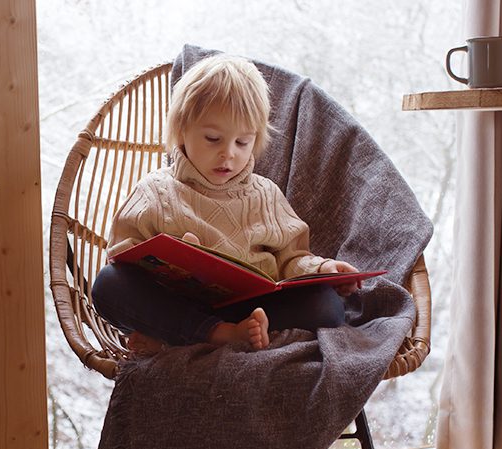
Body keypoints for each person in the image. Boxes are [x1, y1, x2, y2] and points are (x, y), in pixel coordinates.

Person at [91, 54, 361, 355]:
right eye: (213, 139)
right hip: (179, 307)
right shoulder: (155, 191)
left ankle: (174, 341)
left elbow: (291, 259)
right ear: (182, 131)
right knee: (108, 286)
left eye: (242, 143)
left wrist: (324, 270)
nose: (228, 154)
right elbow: (122, 256)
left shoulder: (266, 195)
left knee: (328, 307)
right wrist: (169, 264)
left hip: (251, 309)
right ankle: (213, 334)